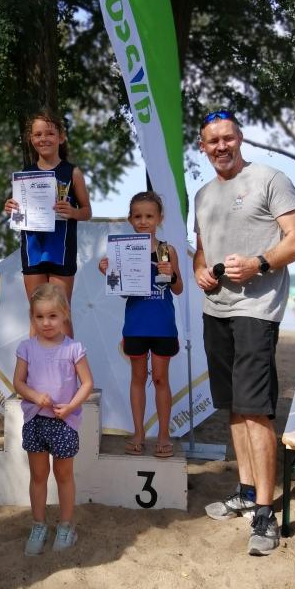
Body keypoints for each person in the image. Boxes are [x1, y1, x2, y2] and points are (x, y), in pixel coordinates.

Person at [193, 109, 295, 556]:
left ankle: (265, 512)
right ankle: (246, 492)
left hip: (256, 310)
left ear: (239, 138)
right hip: (215, 309)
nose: (221, 146)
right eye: (212, 141)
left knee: (256, 409)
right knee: (234, 406)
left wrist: (259, 263)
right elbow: (201, 251)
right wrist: (201, 271)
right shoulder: (202, 194)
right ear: (202, 147)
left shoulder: (269, 179)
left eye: (227, 138)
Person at [98, 191, 183, 458]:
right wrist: (109, 273)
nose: (143, 221)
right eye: (138, 216)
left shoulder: (167, 250)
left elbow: (178, 289)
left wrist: (171, 274)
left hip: (163, 326)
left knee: (160, 379)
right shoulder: (122, 251)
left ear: (159, 218)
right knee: (138, 378)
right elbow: (122, 292)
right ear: (130, 219)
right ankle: (138, 433)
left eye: (149, 216)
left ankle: (164, 435)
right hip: (135, 325)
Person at [13, 283, 94, 555]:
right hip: (35, 421)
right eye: (39, 316)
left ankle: (66, 526)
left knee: (63, 475)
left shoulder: (74, 349)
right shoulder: (26, 348)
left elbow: (87, 383)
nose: (46, 322)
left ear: (64, 315)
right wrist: (36, 397)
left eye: (52, 316)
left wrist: (71, 407)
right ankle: (39, 525)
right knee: (38, 475)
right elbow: (18, 382)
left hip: (64, 423)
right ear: (32, 317)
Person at [4, 108, 92, 336]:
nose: (44, 138)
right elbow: (18, 212)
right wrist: (11, 208)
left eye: (50, 133)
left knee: (61, 314)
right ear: (31, 139)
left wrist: (73, 212)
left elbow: (87, 212)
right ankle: (35, 361)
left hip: (61, 250)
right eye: (38, 134)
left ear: (61, 137)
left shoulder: (73, 173)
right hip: (33, 249)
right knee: (37, 314)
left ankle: (69, 361)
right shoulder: (24, 175)